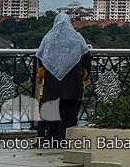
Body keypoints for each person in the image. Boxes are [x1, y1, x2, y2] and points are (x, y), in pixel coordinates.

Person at [35, 13, 91, 145]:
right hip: (72, 82)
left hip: (52, 82)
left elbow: (40, 56)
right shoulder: (76, 37)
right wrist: (85, 73)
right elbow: (86, 56)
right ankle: (64, 138)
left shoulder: (48, 38)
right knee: (69, 113)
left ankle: (51, 138)